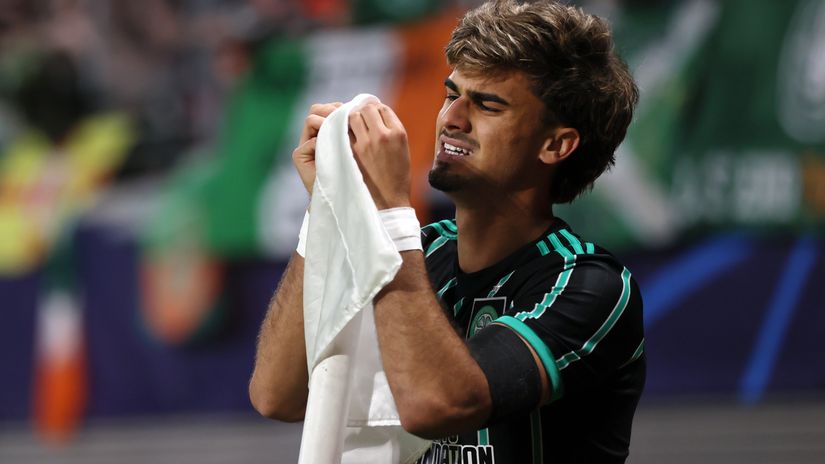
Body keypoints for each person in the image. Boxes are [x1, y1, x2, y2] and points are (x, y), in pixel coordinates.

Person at [249, 1, 645, 462]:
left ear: (555, 144)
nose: (452, 118)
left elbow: (438, 405)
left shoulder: (587, 285)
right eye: (451, 94)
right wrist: (326, 212)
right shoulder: (418, 251)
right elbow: (277, 395)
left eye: (487, 104)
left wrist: (391, 210)